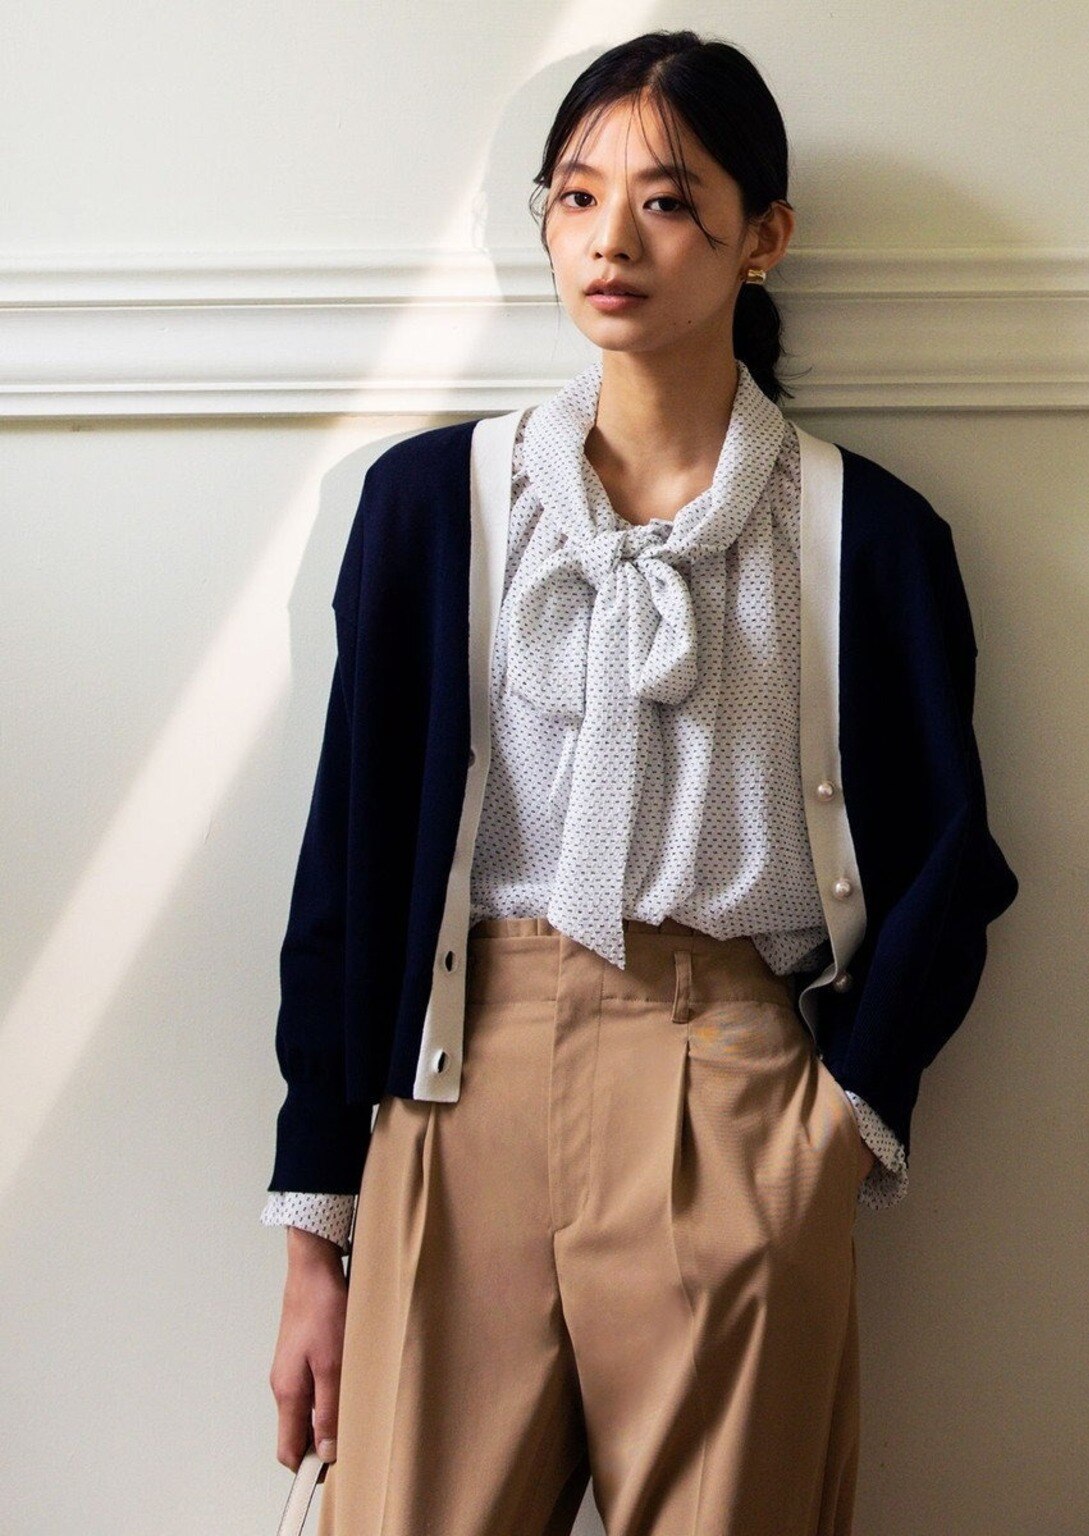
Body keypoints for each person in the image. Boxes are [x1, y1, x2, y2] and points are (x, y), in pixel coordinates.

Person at [263, 29, 1018, 1536]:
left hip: (733, 1087)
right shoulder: (432, 508)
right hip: (456, 1086)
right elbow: (348, 862)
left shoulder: (866, 537)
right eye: (576, 195)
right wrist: (314, 1234)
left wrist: (838, 1126)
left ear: (763, 237)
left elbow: (952, 865)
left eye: (668, 200)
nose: (611, 239)